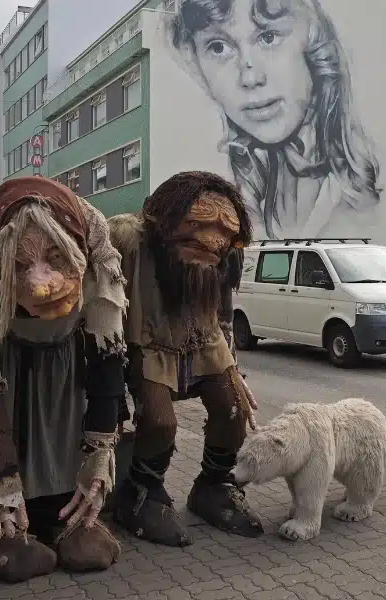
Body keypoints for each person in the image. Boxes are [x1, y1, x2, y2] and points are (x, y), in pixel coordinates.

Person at [0, 177, 128, 583]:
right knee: (9, 430)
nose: (40, 284)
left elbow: (108, 349)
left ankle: (59, 512)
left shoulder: (95, 234)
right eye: (21, 266)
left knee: (59, 432)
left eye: (55, 260)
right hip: (5, 353)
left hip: (65, 358)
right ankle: (0, 519)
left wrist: (101, 451)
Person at [107, 171, 261, 547]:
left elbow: (222, 312)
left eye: (226, 231)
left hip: (205, 339)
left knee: (234, 408)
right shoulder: (129, 242)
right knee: (159, 421)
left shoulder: (225, 259)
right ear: (165, 221)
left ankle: (215, 484)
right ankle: (142, 492)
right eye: (198, 224)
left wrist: (233, 368)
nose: (214, 240)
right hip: (148, 339)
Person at [168, 0, 380, 240]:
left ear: (314, 44)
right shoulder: (242, 181)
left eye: (268, 37)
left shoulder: (352, 199)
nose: (250, 77)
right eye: (218, 47)